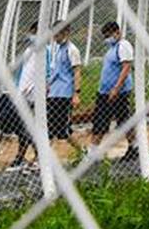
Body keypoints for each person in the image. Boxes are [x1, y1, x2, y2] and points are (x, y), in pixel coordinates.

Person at [91, 21, 134, 161]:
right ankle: (94, 151)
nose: (107, 39)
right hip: (105, 92)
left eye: (109, 35)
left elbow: (126, 67)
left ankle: (93, 153)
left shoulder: (123, 46)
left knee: (112, 120)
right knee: (113, 120)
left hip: (117, 93)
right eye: (105, 36)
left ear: (117, 32)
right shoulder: (112, 48)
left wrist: (116, 88)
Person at [2, 25, 40, 173]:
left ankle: (38, 158)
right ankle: (21, 157)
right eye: (32, 33)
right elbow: (22, 73)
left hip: (35, 97)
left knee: (30, 129)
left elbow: (46, 74)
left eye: (35, 33)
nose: (32, 36)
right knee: (22, 128)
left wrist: (31, 88)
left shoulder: (46, 51)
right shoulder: (28, 51)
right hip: (23, 96)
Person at [46, 21, 84, 157]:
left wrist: (76, 94)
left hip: (64, 94)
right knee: (50, 128)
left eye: (57, 34)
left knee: (63, 131)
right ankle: (43, 158)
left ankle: (83, 153)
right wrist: (48, 85)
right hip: (53, 93)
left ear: (66, 33)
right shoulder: (58, 50)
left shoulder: (72, 50)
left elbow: (77, 72)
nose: (55, 37)